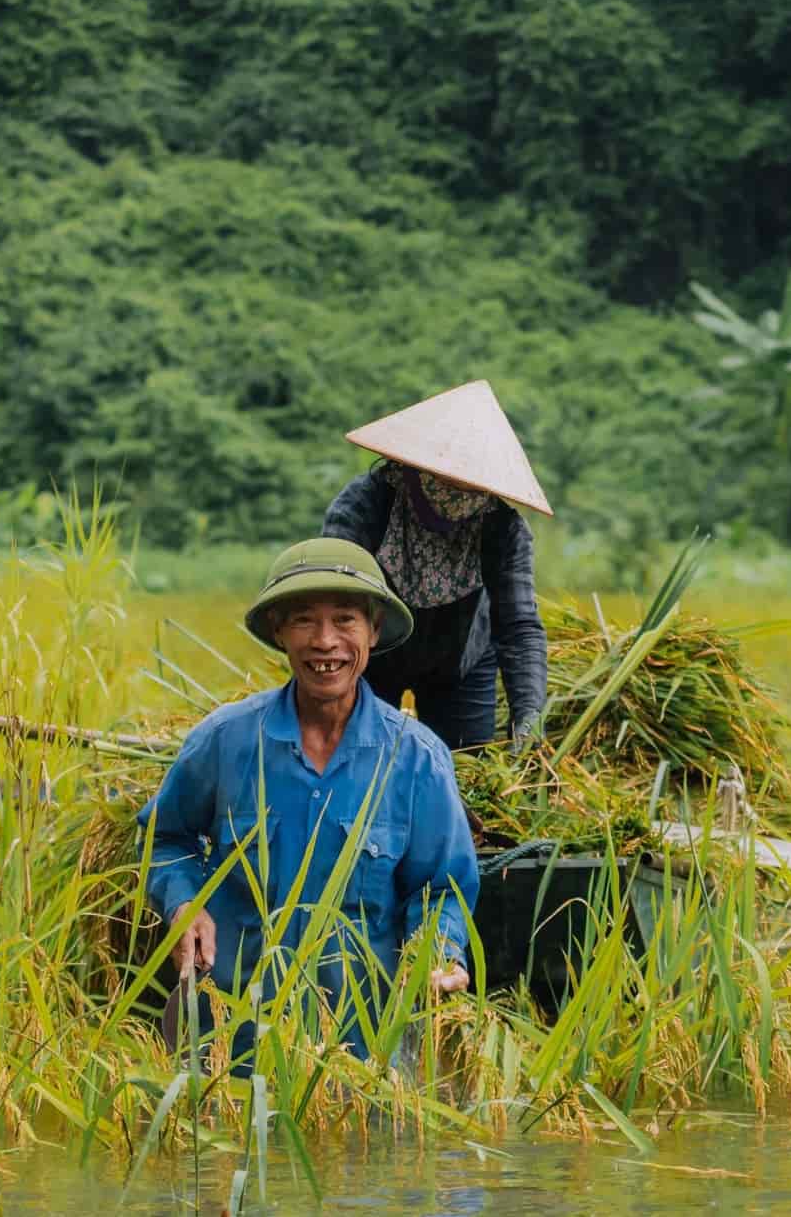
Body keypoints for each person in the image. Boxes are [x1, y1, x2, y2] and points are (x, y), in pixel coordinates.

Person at [136, 537, 479, 1063]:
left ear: (373, 630)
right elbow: (166, 838)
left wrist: (436, 949)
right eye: (303, 621)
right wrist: (184, 902)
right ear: (278, 632)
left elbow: (441, 888)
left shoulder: (416, 759)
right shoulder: (225, 740)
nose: (325, 642)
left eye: (345, 620)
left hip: (363, 1046)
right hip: (230, 1039)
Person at [322, 380, 552, 752]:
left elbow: (519, 627)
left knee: (464, 776)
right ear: (416, 466)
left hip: (461, 665)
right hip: (370, 662)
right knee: (359, 764)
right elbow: (331, 602)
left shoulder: (501, 528)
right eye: (446, 483)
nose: (457, 499)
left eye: (471, 490)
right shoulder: (366, 505)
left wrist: (528, 715)